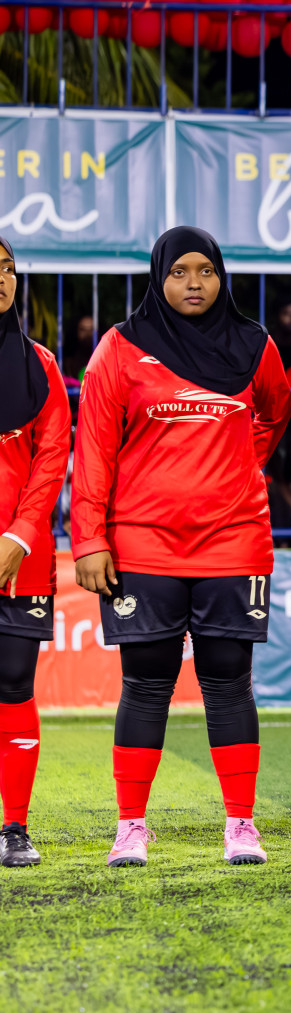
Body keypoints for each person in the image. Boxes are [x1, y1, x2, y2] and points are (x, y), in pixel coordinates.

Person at [72, 227, 291, 867]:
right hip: (142, 548)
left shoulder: (255, 345)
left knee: (230, 685)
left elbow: (275, 413)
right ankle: (132, 827)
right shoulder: (120, 348)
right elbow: (93, 450)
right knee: (144, 685)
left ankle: (241, 826)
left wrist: (237, 467)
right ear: (158, 278)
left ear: (221, 277)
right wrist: (89, 536)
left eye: (205, 271)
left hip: (234, 543)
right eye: (179, 272)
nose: (194, 283)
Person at [0, 237, 69, 867]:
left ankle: (14, 828)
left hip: (20, 558)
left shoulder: (39, 365)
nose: (0, 279)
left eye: (6, 269)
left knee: (14, 682)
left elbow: (51, 459)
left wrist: (18, 537)